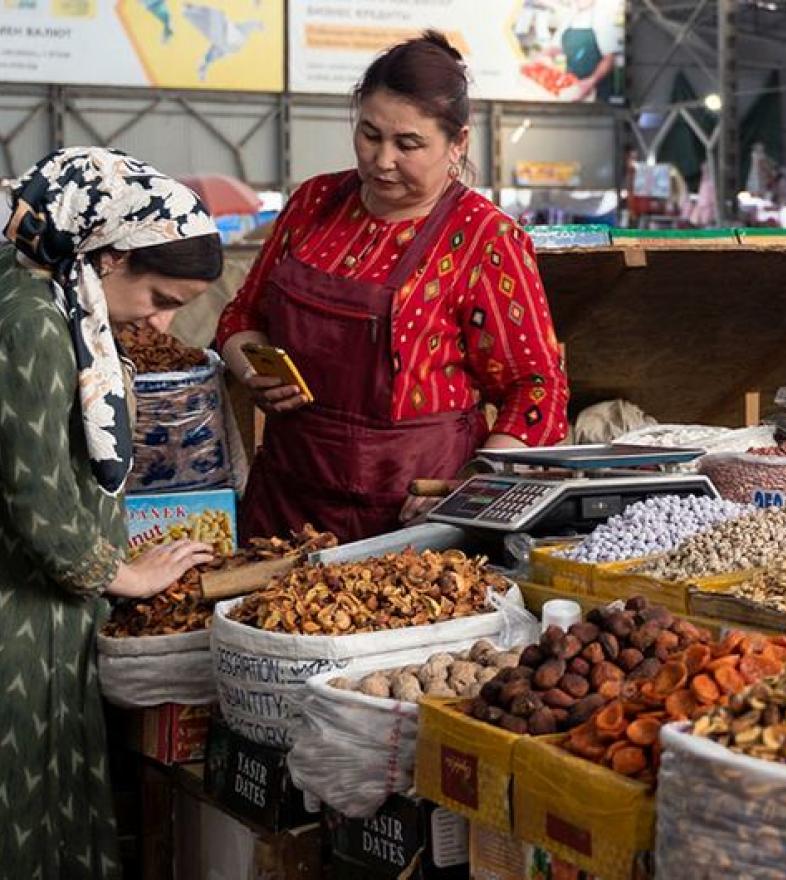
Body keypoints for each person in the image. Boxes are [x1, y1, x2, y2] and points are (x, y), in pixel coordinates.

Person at [218, 31, 570, 544]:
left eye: (408, 144)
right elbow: (241, 315)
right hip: (286, 501)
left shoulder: (483, 237)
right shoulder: (314, 202)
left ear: (458, 143)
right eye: (369, 134)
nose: (383, 159)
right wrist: (252, 368)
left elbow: (538, 388)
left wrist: (472, 487)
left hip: (412, 518)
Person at [0, 146, 222, 879]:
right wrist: (121, 574)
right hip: (22, 614)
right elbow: (32, 489)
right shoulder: (31, 318)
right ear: (113, 255)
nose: (155, 320)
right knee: (27, 794)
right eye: (160, 299)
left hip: (51, 610)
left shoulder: (65, 299)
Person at [554, 0, 623, 101]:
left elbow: (610, 58)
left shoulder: (604, 17)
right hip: (572, 87)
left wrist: (592, 80)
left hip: (598, 91)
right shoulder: (570, 17)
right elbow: (556, 46)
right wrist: (542, 56)